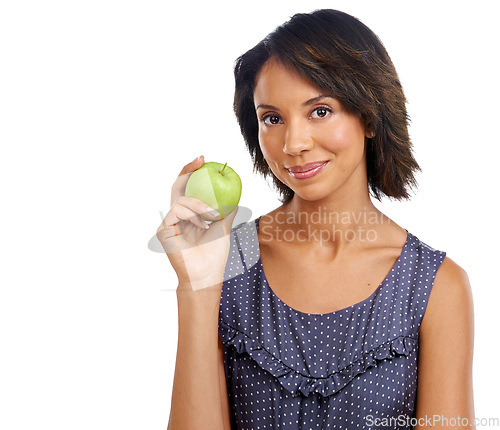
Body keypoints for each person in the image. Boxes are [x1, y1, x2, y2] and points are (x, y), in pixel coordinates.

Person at [157, 9, 475, 430]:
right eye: (272, 118)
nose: (294, 143)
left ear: (368, 115)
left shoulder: (437, 286)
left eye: (320, 111)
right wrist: (197, 285)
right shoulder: (226, 262)